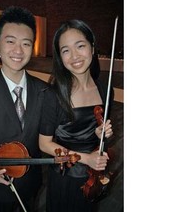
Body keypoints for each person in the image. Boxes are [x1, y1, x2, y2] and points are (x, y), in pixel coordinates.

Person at [39, 19, 114, 212]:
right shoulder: (53, 94)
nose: (74, 56)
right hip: (65, 176)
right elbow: (44, 144)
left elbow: (97, 134)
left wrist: (101, 134)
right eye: (66, 50)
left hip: (92, 176)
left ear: (92, 47)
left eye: (80, 46)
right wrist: (85, 158)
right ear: (59, 57)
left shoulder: (105, 90)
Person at [0, 6, 49, 212]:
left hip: (31, 188)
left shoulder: (45, 91)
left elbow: (56, 134)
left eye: (26, 43)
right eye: (10, 41)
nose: (18, 51)